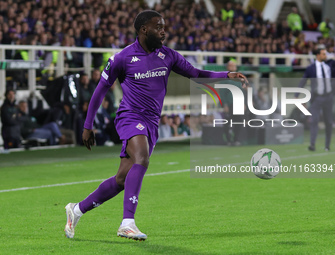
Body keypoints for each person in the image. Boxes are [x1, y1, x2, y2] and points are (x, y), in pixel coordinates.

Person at [64, 10, 248, 241]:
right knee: (142, 158)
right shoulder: (121, 58)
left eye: (163, 26)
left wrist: (226, 75)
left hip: (151, 123)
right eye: (158, 27)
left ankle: (77, 209)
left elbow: (196, 73)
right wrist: (87, 125)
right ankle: (127, 223)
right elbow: (99, 91)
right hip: (129, 117)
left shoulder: (168, 56)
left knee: (122, 179)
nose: (163, 31)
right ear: (144, 30)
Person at [297, 48, 335, 151]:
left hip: (328, 97)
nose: (326, 56)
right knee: (314, 121)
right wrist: (296, 94)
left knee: (328, 122)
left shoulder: (330, 64)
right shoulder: (311, 68)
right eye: (323, 54)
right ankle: (312, 145)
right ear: (318, 55)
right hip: (316, 98)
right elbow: (303, 80)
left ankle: (327, 146)